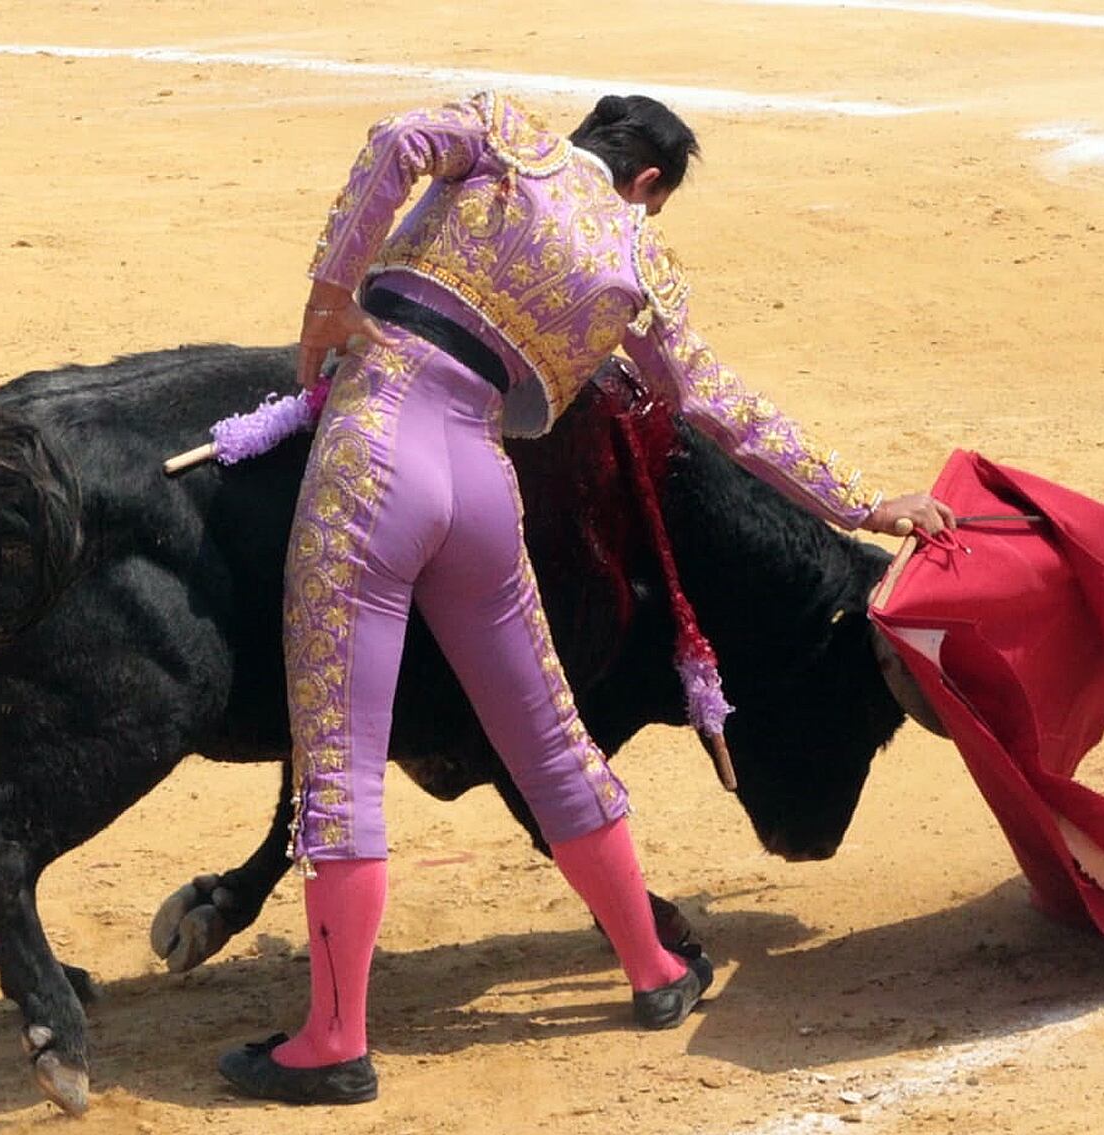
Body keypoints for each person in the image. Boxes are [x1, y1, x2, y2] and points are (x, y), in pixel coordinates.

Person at [219, 89, 954, 1105]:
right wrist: (868, 503)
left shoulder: (510, 137)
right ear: (649, 184)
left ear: (597, 140)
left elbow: (397, 140)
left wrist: (330, 293)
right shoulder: (640, 261)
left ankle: (335, 1036)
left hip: (377, 444)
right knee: (552, 742)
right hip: (481, 484)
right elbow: (718, 408)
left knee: (341, 757)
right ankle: (654, 967)